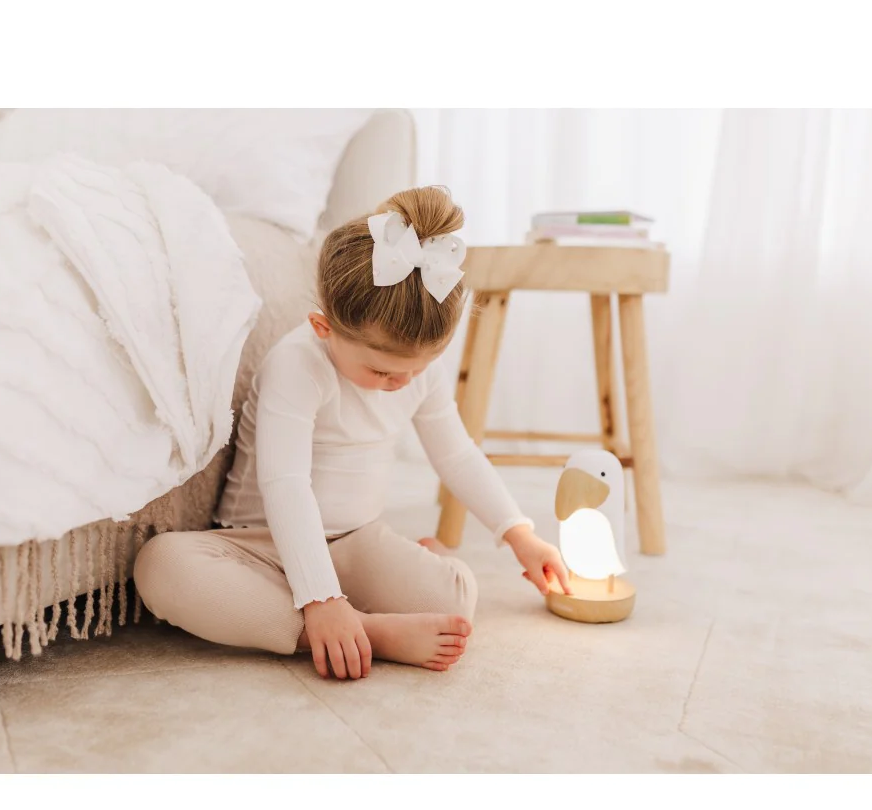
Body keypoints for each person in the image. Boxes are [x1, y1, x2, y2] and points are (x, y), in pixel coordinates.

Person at [133, 186, 571, 680]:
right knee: (160, 567)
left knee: (453, 603)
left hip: (355, 542)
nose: (402, 383)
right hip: (259, 544)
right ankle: (364, 631)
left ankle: (342, 619)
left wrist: (520, 535)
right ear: (323, 327)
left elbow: (457, 456)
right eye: (382, 371)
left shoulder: (416, 373)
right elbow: (286, 485)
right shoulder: (297, 364)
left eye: (418, 368)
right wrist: (321, 600)